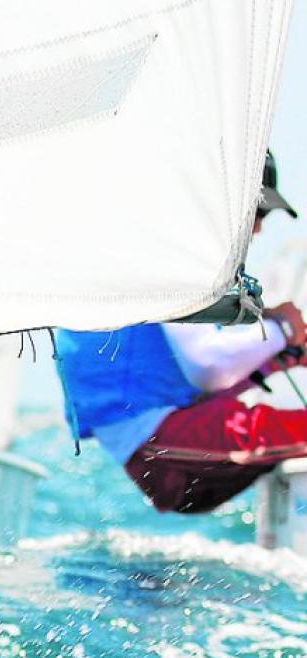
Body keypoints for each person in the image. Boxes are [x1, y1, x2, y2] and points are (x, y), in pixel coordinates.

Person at [55, 151, 307, 514]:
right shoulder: (174, 259)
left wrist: (275, 356)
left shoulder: (150, 247)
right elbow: (209, 367)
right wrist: (281, 331)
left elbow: (201, 370)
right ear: (226, 205)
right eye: (258, 213)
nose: (258, 230)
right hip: (156, 443)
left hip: (156, 435)